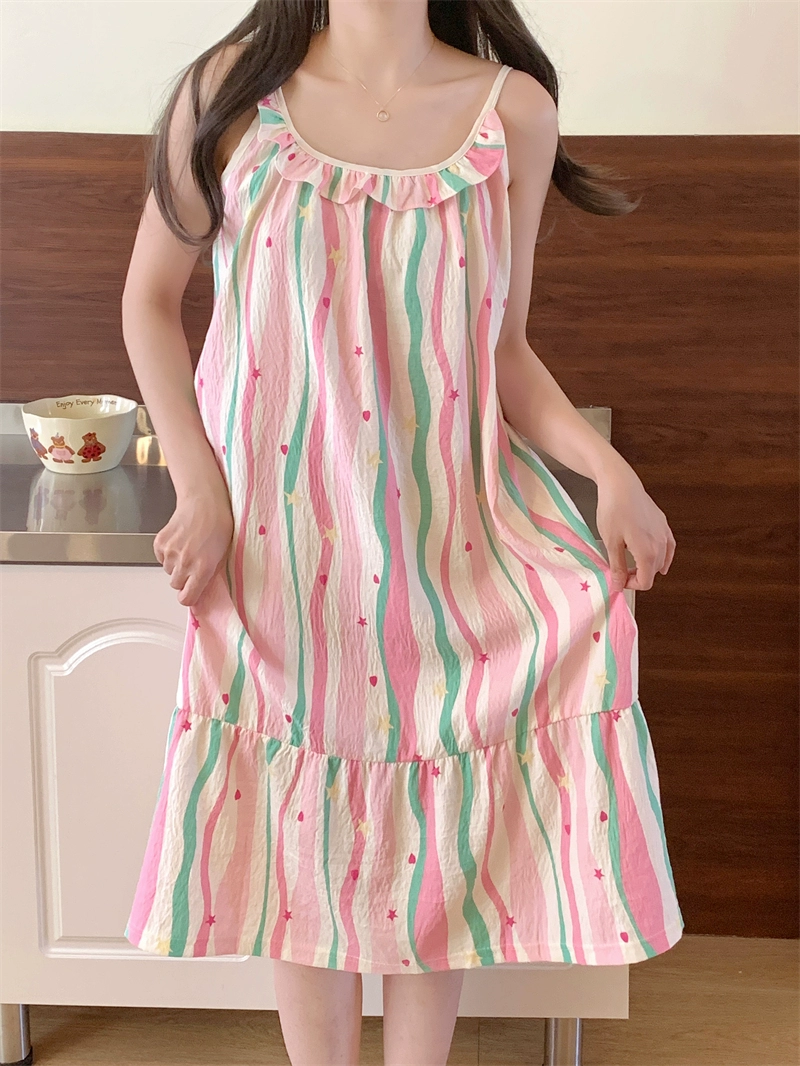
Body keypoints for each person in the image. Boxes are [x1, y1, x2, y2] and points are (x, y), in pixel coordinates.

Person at [121, 2, 684, 1063]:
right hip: (283, 547)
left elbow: (504, 350)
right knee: (302, 845)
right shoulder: (230, 94)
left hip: (449, 535)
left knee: (438, 831)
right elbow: (148, 302)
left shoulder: (511, 115)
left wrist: (608, 472)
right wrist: (200, 489)